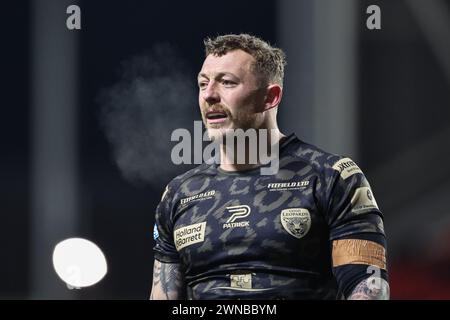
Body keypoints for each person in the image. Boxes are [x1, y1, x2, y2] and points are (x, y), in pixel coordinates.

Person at [150, 34, 389, 300]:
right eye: (203, 84)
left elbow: (368, 285)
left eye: (227, 82)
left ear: (270, 97)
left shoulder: (332, 177)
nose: (209, 95)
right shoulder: (179, 194)